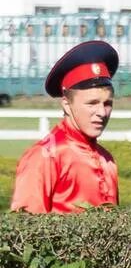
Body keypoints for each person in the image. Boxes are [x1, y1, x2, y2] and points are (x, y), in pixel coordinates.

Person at [10, 40, 120, 214]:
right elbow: (26, 231)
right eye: (92, 103)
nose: (102, 112)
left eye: (107, 103)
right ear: (67, 105)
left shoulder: (107, 159)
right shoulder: (45, 156)